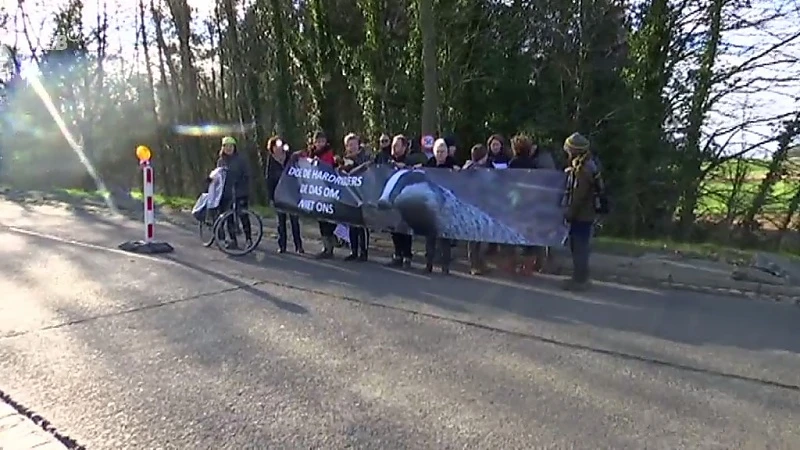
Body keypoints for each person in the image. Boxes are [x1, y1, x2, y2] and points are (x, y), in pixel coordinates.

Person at [562, 132, 599, 291]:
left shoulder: (583, 170)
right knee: (580, 246)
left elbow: (579, 195)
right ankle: (579, 278)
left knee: (579, 247)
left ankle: (580, 281)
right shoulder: (587, 164)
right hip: (586, 213)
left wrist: (570, 213)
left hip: (582, 215)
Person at [422, 138, 458, 274]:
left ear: (447, 152)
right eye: (438, 151)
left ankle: (445, 266)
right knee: (430, 236)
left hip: (446, 204)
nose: (441, 154)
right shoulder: (430, 163)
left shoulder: (452, 164)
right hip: (431, 203)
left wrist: (458, 170)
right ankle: (428, 263)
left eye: (443, 151)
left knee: (444, 237)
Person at [265, 136, 304, 254]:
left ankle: (299, 246)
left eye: (280, 145)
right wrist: (271, 197)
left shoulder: (291, 158)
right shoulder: (271, 160)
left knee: (294, 221)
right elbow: (269, 179)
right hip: (278, 194)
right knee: (280, 222)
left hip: (291, 194)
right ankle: (282, 246)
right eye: (275, 146)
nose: (278, 148)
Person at [303, 130, 338, 259]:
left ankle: (331, 246)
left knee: (329, 219)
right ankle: (326, 246)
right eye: (318, 141)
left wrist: (320, 163)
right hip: (316, 191)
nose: (320, 144)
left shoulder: (329, 153)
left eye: (322, 141)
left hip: (327, 190)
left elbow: (330, 167)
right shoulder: (310, 154)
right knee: (321, 220)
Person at [216, 136, 252, 249]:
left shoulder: (241, 159)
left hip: (240, 192)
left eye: (231, 146)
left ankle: (248, 239)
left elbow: (247, 174)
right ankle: (233, 240)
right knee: (229, 218)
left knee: (243, 216)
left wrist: (240, 182)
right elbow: (218, 175)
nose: (229, 149)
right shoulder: (221, 161)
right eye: (226, 147)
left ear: (234, 147)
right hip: (226, 193)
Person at [462, 144, 493, 275]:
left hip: (477, 205)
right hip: (475, 205)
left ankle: (480, 263)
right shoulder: (474, 171)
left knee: (479, 237)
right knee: (475, 238)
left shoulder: (470, 169)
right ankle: (475, 265)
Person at [385, 134, 415, 268]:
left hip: (406, 198)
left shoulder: (410, 161)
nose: (394, 148)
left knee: (405, 228)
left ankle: (407, 256)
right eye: (393, 146)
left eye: (397, 146)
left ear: (404, 147)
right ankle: (397, 254)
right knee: (394, 227)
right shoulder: (388, 161)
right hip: (391, 198)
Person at [340, 132, 372, 261]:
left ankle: (363, 252)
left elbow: (367, 170)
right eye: (348, 145)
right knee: (351, 223)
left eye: (353, 144)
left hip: (363, 194)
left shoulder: (365, 158)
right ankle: (353, 250)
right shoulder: (345, 159)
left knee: (362, 224)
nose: (351, 147)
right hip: (350, 195)